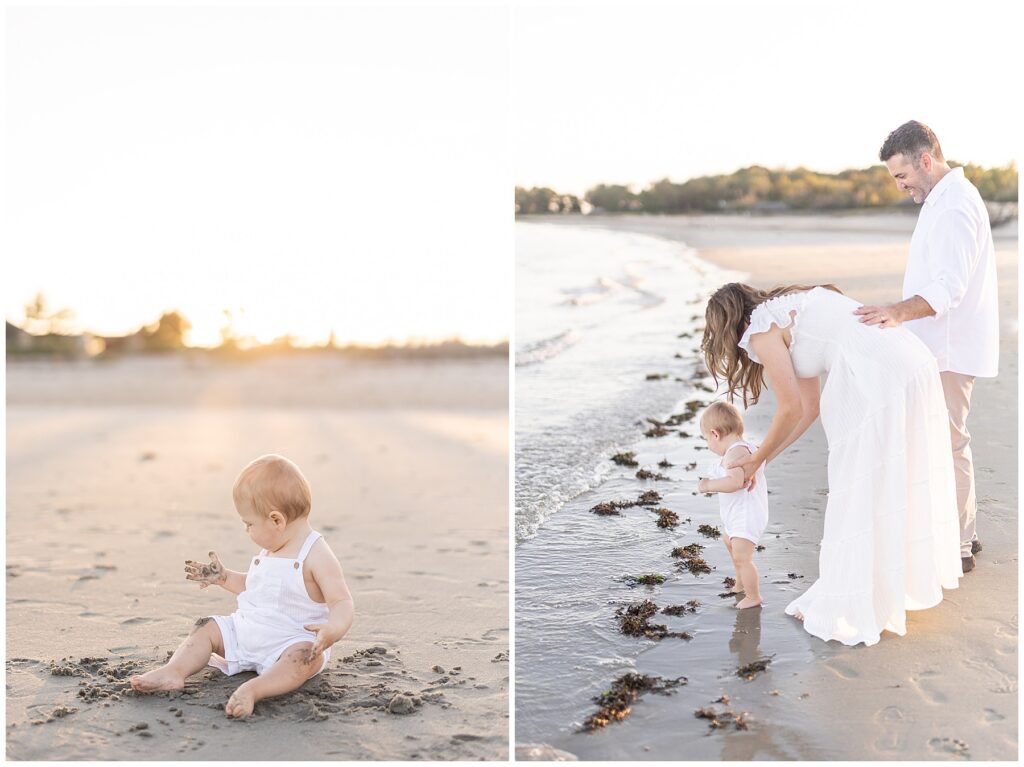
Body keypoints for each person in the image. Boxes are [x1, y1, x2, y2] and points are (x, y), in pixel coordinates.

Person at [702, 282, 962, 646]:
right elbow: (808, 410)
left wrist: (756, 458)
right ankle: (885, 587)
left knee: (859, 483)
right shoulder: (786, 314)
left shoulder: (762, 328)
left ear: (728, 323)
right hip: (906, 363)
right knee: (885, 479)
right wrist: (761, 461)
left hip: (880, 373)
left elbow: (790, 407)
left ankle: (862, 598)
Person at [854, 120, 999, 573]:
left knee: (949, 443)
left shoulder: (955, 205)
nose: (900, 186)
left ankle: (958, 545)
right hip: (937, 346)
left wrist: (896, 312)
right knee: (943, 442)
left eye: (902, 176)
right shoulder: (942, 199)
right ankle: (963, 534)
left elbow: (949, 287)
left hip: (950, 349)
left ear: (925, 159)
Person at [130, 454, 355, 718]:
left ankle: (255, 689)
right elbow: (256, 587)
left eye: (249, 524)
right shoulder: (271, 550)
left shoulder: (316, 554)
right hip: (249, 630)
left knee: (304, 659)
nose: (247, 530)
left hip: (292, 640)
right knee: (207, 628)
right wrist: (223, 578)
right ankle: (174, 671)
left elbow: (342, 601)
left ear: (276, 520)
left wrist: (333, 629)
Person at [697, 401, 768, 610]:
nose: (709, 445)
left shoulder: (735, 453)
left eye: (706, 439)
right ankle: (740, 580)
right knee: (728, 540)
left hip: (746, 515)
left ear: (715, 434)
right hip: (738, 514)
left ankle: (754, 595)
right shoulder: (740, 450)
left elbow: (735, 483)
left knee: (742, 556)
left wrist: (709, 485)